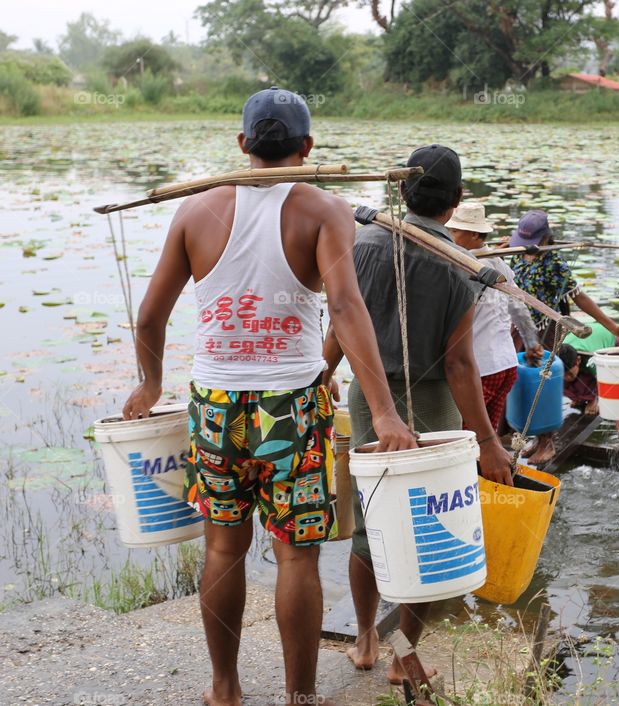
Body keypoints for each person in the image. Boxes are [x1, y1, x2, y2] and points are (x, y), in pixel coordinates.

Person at [121, 87, 417, 706]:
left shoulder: (194, 211)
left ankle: (224, 689)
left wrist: (150, 382)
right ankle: (299, 698)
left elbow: (150, 317)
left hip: (216, 406)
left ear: (243, 146)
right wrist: (385, 412)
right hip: (293, 409)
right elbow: (343, 306)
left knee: (223, 548)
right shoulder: (323, 208)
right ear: (307, 149)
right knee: (296, 560)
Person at [320, 145, 514, 685]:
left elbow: (339, 324)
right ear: (454, 204)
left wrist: (321, 376)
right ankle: (404, 652)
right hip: (432, 403)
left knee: (370, 519)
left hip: (369, 398)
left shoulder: (361, 245)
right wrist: (490, 441)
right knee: (427, 523)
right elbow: (458, 362)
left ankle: (364, 637)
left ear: (403, 192)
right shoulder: (462, 268)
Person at [509, 209, 619, 464]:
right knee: (522, 382)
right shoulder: (517, 255)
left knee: (541, 383)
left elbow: (578, 297)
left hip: (544, 330)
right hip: (520, 327)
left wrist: (611, 326)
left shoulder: (554, 262)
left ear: (544, 239)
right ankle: (533, 437)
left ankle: (547, 443)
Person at [447, 202, 543, 430]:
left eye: (454, 231)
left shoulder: (469, 267)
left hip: (481, 368)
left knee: (464, 433)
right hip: (505, 366)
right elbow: (518, 308)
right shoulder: (499, 263)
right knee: (486, 432)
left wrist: (531, 344)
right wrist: (531, 343)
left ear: (473, 234)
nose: (449, 236)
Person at [557, 325, 619, 444]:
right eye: (562, 373)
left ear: (578, 361)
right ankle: (582, 398)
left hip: (608, 336)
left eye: (568, 373)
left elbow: (610, 390)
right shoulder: (558, 359)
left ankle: (591, 398)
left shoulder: (594, 362)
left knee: (607, 379)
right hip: (583, 335)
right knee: (561, 382)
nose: (565, 377)